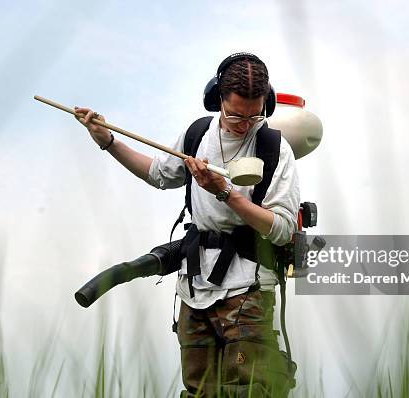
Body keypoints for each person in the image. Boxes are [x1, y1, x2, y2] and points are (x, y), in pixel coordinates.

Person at [75, 52, 300, 397]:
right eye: (235, 114)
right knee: (198, 391)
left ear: (265, 106)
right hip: (193, 288)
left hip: (248, 290)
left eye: (254, 116)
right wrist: (107, 140)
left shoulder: (274, 148)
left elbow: (282, 228)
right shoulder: (198, 134)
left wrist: (225, 192)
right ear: (217, 100)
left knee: (247, 390)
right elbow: (158, 174)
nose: (244, 124)